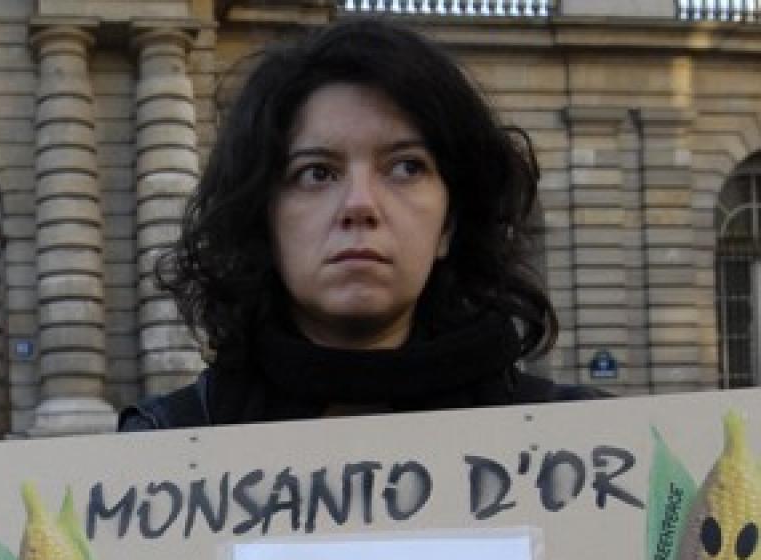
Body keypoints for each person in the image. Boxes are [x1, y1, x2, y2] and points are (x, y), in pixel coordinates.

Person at [120, 18, 601, 432]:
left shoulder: (584, 444)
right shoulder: (165, 443)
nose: (359, 205)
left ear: (449, 225)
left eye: (406, 167)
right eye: (316, 173)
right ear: (262, 219)